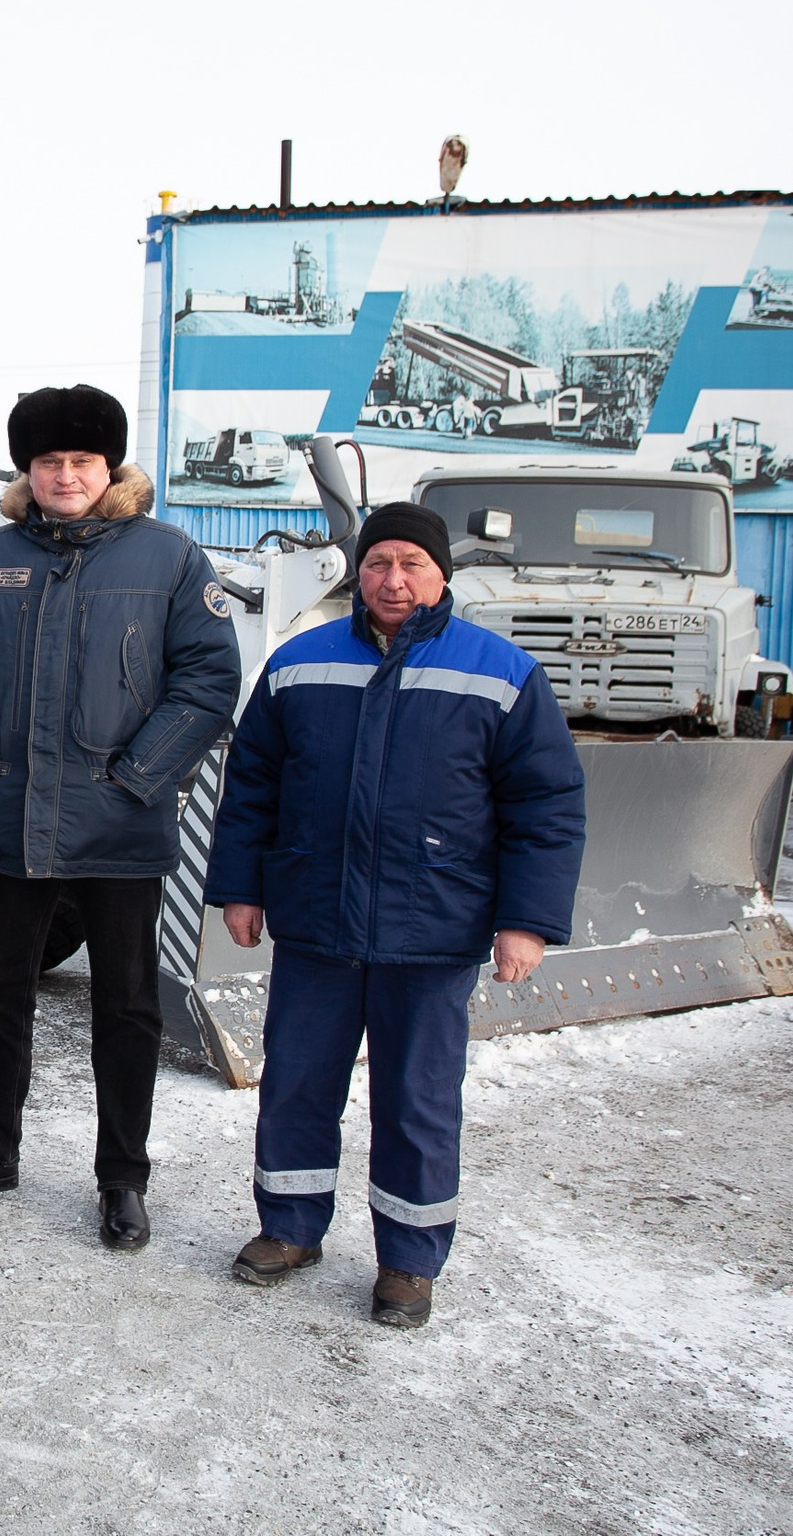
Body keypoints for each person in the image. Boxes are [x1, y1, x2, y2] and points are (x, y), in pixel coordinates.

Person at [202, 501, 585, 1328]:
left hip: (432, 929)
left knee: (417, 1099)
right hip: (317, 922)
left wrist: (527, 920)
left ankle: (409, 1260)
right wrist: (241, 887)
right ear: (359, 572)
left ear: (442, 573)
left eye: (412, 562)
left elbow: (546, 806)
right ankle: (289, 1228)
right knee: (298, 1084)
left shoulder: (502, 671)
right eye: (378, 563)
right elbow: (253, 786)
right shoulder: (300, 663)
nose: (394, 579)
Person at [0, 385, 242, 1249]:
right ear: (28, 469)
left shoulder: (168, 557)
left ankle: (122, 1180)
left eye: (81, 462)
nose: (65, 475)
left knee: (127, 1007)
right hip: (14, 820)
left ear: (109, 468)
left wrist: (140, 775)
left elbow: (208, 680)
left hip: (121, 825)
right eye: (49, 461)